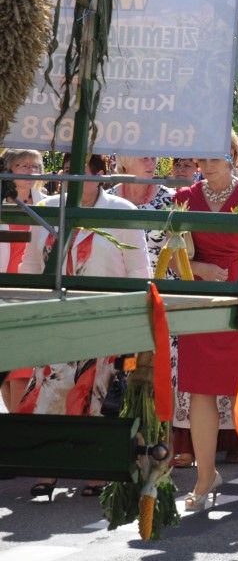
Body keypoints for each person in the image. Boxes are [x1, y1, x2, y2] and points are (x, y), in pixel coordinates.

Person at [18, 154, 151, 499]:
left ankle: (96, 471)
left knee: (99, 395)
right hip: (56, 318)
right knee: (53, 392)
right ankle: (48, 468)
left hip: (105, 319)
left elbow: (139, 270)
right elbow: (31, 263)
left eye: (80, 173)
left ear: (100, 175)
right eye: (66, 172)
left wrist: (137, 320)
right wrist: (24, 308)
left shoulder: (121, 211)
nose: (71, 180)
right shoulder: (47, 209)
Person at [173, 141, 238, 510]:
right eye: (201, 158)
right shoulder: (183, 197)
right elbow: (172, 253)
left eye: (214, 157)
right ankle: (205, 476)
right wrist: (198, 268)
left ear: (232, 157)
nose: (206, 164)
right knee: (199, 391)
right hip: (201, 299)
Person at [0, 149, 47, 412]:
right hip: (4, 291)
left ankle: (17, 425)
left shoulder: (49, 204)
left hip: (33, 293)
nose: (31, 171)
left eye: (35, 166)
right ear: (8, 170)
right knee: (7, 372)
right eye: (23, 165)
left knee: (22, 372)